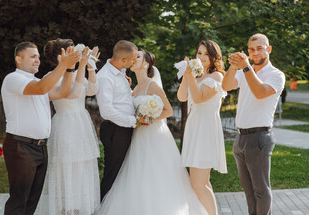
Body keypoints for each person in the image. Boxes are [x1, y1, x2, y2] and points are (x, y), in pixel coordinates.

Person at [95, 49, 208, 215]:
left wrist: (148, 119)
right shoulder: (134, 87)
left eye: (138, 57)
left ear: (146, 64)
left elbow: (168, 110)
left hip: (154, 135)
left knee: (155, 174)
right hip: (138, 135)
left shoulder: (152, 85)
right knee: (137, 174)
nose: (133, 59)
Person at [1, 41, 80, 215]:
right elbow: (41, 88)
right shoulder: (13, 79)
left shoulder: (38, 81)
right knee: (19, 200)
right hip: (21, 146)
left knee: (31, 201)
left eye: (38, 56)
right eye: (32, 56)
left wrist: (69, 69)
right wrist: (63, 64)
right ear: (18, 59)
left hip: (40, 147)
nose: (37, 60)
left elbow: (62, 93)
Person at [222, 33, 285, 215]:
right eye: (251, 49)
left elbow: (260, 92)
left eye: (259, 48)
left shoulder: (276, 75)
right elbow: (226, 86)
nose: (255, 52)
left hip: (259, 137)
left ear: (268, 49)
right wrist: (234, 67)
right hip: (240, 138)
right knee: (249, 192)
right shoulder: (244, 71)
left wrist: (246, 67)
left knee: (261, 190)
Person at [36, 39, 101, 215]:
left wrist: (90, 66)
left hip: (81, 124)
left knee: (81, 169)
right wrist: (80, 66)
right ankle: (66, 210)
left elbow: (92, 90)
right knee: (67, 170)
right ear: (60, 56)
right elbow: (73, 95)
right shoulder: (51, 77)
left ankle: (78, 210)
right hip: (65, 126)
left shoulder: (77, 72)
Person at [177, 40, 227, 215]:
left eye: (206, 54)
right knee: (201, 182)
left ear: (214, 57)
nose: (202, 57)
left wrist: (190, 76)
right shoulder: (196, 76)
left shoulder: (217, 77)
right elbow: (182, 97)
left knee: (198, 184)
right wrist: (186, 75)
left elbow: (198, 99)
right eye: (199, 53)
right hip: (195, 126)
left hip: (206, 128)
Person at [96, 40, 142, 201]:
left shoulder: (120, 72)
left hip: (124, 127)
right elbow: (107, 111)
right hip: (115, 130)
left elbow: (122, 101)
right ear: (123, 61)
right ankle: (104, 208)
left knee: (122, 171)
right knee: (113, 173)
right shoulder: (105, 77)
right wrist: (133, 121)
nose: (135, 61)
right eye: (133, 59)